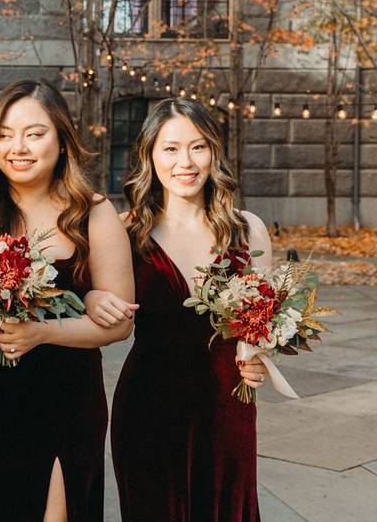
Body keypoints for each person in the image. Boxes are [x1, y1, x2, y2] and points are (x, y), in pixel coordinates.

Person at [0, 79, 135, 522]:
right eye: (4, 134)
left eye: (34, 133)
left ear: (62, 140)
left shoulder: (93, 213)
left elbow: (120, 324)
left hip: (61, 401)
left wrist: (45, 330)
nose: (17, 147)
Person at [107, 97, 271, 522]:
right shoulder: (126, 232)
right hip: (148, 407)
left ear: (214, 152)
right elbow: (95, 300)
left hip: (227, 408)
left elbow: (262, 323)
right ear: (149, 155)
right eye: (171, 148)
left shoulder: (246, 229)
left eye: (198, 147)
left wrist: (261, 361)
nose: (186, 161)